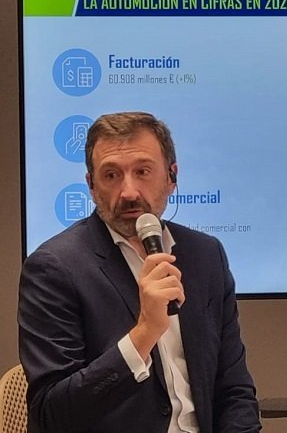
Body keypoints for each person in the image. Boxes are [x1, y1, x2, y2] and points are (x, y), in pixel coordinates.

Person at [18, 111, 261, 433]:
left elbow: (233, 389)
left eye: (143, 171)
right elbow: (51, 414)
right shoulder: (54, 268)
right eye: (111, 175)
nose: (129, 192)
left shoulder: (205, 255)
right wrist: (144, 333)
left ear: (171, 177)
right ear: (91, 186)